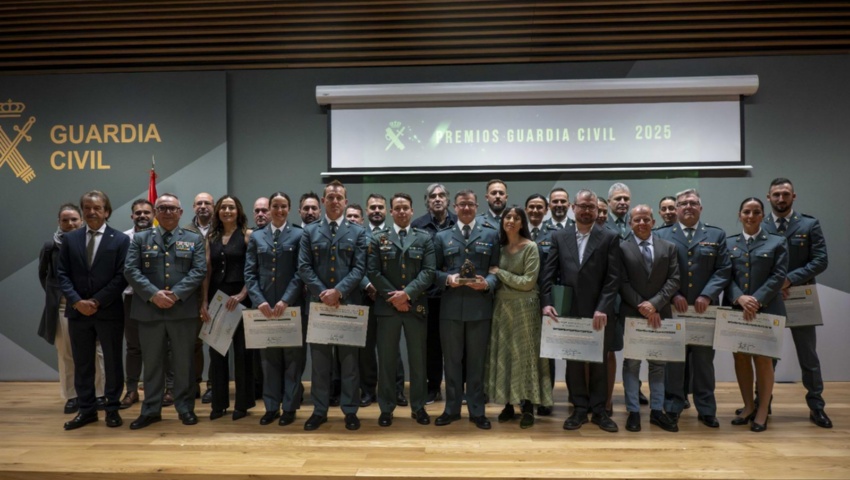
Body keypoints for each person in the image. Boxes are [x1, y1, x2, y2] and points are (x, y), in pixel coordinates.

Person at [540, 189, 621, 433]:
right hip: (569, 310)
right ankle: (578, 408)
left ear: (597, 210)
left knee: (599, 361)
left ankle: (599, 411)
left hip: (600, 312)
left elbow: (613, 277)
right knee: (574, 360)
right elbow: (548, 273)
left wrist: (603, 307)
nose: (586, 211)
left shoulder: (609, 237)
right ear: (573, 208)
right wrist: (547, 302)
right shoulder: (559, 237)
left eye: (591, 207)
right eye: (582, 206)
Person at [124, 193, 207, 429]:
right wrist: (154, 294)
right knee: (152, 363)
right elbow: (131, 270)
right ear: (156, 213)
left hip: (182, 311)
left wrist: (176, 294)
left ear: (181, 213)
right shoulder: (140, 239)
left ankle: (185, 408)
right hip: (149, 311)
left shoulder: (193, 239)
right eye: (162, 208)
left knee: (183, 363)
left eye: (172, 208)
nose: (168, 212)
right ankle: (150, 410)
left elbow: (199, 270)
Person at [656, 189, 730, 428]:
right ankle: (673, 405)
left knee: (704, 363)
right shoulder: (662, 234)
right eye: (683, 203)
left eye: (693, 203)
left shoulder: (716, 235)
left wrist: (708, 294)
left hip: (704, 310)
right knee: (673, 360)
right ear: (675, 209)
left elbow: (723, 269)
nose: (688, 206)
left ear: (701, 207)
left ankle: (706, 408)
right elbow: (658, 269)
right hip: (673, 308)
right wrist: (674, 293)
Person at [297, 180, 367, 431]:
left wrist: (338, 291)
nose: (335, 201)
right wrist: (323, 293)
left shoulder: (358, 232)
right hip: (319, 305)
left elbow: (360, 268)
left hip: (348, 305)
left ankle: (350, 410)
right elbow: (304, 267)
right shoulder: (310, 231)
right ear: (324, 201)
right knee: (320, 365)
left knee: (349, 364)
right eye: (330, 197)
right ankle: (319, 410)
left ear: (346, 202)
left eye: (339, 198)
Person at [57, 190, 130, 430]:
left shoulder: (120, 240)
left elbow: (122, 277)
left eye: (97, 208)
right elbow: (62, 275)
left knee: (112, 363)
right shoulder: (70, 239)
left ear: (107, 211)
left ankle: (111, 409)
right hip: (77, 312)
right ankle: (86, 410)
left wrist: (96, 301)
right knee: (82, 363)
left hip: (108, 311)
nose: (91, 212)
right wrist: (78, 302)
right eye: (87, 208)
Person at [763, 178, 832, 428]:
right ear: (768, 197)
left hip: (801, 297)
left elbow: (820, 260)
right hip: (770, 299)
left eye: (785, 194)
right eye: (776, 194)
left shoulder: (809, 224)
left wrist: (789, 279)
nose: (781, 199)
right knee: (766, 357)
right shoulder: (760, 223)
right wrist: (772, 285)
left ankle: (817, 407)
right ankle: (763, 403)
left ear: (794, 196)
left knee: (808, 357)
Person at [366, 193, 436, 427]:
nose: (402, 211)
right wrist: (394, 298)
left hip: (415, 306)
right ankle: (386, 408)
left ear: (412, 211)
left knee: (418, 360)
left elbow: (429, 272)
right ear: (391, 211)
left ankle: (418, 407)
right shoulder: (378, 238)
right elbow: (373, 271)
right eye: (397, 208)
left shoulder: (424, 238)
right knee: (386, 361)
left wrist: (406, 294)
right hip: (387, 308)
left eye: (405, 208)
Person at [433, 189, 500, 430]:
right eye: (462, 204)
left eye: (471, 204)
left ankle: (477, 411)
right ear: (454, 206)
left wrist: (487, 285)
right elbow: (433, 272)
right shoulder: (442, 237)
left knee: (476, 363)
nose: (467, 208)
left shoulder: (491, 234)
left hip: (480, 309)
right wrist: (447, 280)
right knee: (451, 362)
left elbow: (496, 269)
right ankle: (451, 409)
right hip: (451, 309)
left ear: (477, 205)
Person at [725, 197, 788, 432]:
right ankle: (748, 406)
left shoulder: (777, 242)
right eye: (746, 212)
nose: (750, 216)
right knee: (740, 357)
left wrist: (756, 299)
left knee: (763, 360)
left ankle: (762, 410)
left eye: (756, 212)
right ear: (739, 215)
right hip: (737, 310)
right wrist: (739, 297)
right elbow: (725, 275)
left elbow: (779, 276)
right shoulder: (729, 243)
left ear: (762, 215)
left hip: (767, 309)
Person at [486, 206, 552, 429]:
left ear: (522, 223)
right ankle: (508, 405)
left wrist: (500, 273)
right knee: (505, 355)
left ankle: (528, 407)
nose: (511, 221)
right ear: (502, 221)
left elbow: (528, 283)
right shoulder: (499, 247)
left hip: (526, 308)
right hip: (502, 307)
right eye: (508, 217)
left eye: (516, 218)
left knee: (526, 358)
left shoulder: (531, 247)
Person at [244, 191, 305, 426]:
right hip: (264, 309)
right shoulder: (257, 237)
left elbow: (301, 271)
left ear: (289, 209)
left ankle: (289, 407)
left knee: (292, 361)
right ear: (268, 209)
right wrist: (259, 300)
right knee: (268, 362)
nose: (279, 210)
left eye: (283, 206)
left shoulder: (299, 234)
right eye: (275, 206)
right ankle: (271, 407)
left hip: (290, 308)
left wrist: (286, 300)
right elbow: (250, 272)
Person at [39, 203, 106, 414]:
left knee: (96, 353)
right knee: (67, 354)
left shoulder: (95, 242)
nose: (70, 223)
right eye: (65, 220)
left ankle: (98, 393)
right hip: (63, 308)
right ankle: (72, 395)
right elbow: (45, 276)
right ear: (59, 222)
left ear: (82, 220)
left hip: (93, 306)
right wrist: (65, 297)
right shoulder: (51, 246)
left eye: (74, 219)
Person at [618, 205, 680, 433]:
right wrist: (641, 305)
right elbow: (621, 282)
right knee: (632, 364)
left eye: (646, 219)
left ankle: (656, 411)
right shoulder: (622, 248)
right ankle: (633, 411)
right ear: (630, 223)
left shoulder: (669, 247)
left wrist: (655, 304)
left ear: (653, 222)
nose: (641, 223)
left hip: (660, 314)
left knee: (658, 365)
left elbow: (674, 279)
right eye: (637, 220)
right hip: (633, 314)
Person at [200, 195, 255, 421]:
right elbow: (207, 271)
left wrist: (243, 294)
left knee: (242, 354)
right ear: (218, 212)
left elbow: (254, 269)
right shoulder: (211, 237)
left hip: (241, 300)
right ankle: (219, 403)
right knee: (217, 353)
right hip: (217, 301)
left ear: (238, 211)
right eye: (223, 207)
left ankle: (242, 404)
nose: (227, 211)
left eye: (231, 207)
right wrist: (204, 302)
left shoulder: (247, 235)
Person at [410, 183, 456, 404]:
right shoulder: (417, 225)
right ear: (427, 201)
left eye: (441, 196)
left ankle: (459, 388)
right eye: (432, 196)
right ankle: (433, 387)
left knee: (457, 345)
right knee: (431, 346)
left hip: (454, 294)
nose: (437, 199)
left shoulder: (459, 223)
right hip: (428, 296)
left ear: (448, 200)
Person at [360, 193, 408, 408]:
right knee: (367, 347)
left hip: (389, 298)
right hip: (365, 297)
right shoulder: (359, 234)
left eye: (380, 207)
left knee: (392, 347)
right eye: (373, 207)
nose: (377, 210)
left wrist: (385, 291)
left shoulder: (393, 235)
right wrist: (368, 285)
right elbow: (358, 266)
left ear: (386, 210)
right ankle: (369, 390)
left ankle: (397, 390)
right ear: (367, 210)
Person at [524, 193, 558, 416]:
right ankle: (525, 396)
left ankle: (546, 398)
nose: (535, 211)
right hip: (522, 299)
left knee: (548, 350)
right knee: (525, 349)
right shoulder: (517, 232)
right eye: (531, 207)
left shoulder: (556, 235)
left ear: (546, 210)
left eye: (539, 207)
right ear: (526, 210)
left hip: (547, 300)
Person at [120, 199, 154, 409]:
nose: (142, 216)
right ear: (132, 216)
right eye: (138, 213)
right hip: (132, 298)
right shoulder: (123, 239)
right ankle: (132, 390)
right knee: (133, 347)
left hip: (156, 299)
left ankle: (163, 389)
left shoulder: (162, 236)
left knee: (161, 346)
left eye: (147, 213)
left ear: (153, 215)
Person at [184, 192, 214, 403]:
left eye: (207, 203)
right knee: (193, 343)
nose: (203, 206)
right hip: (192, 295)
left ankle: (213, 385)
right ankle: (194, 383)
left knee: (216, 343)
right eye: (199, 203)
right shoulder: (183, 231)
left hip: (218, 294)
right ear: (193, 207)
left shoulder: (223, 228)